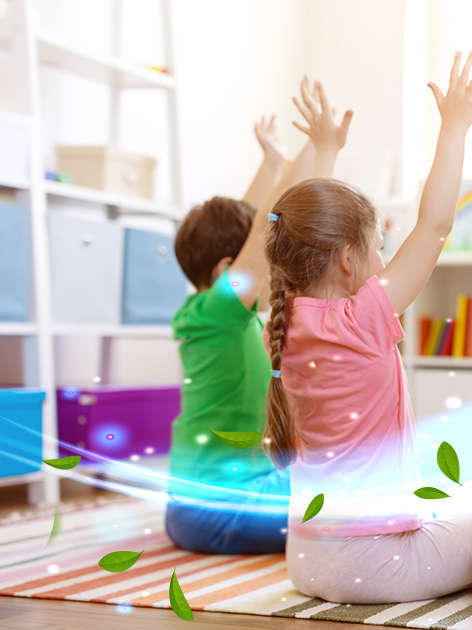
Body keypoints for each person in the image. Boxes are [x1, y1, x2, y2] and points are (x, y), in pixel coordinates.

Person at [262, 52, 472, 603]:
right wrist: (455, 125)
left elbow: (294, 221)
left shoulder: (281, 321)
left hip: (304, 559)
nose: (384, 260)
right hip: (376, 565)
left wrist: (323, 152)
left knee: (462, 506)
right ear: (348, 260)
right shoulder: (361, 318)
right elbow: (436, 224)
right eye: (378, 248)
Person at [166, 79, 339, 554]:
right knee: (351, 499)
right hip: (223, 511)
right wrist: (320, 150)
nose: (272, 269)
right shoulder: (221, 312)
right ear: (228, 272)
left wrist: (275, 164)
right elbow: (266, 226)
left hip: (207, 509)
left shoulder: (213, 316)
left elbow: (248, 222)